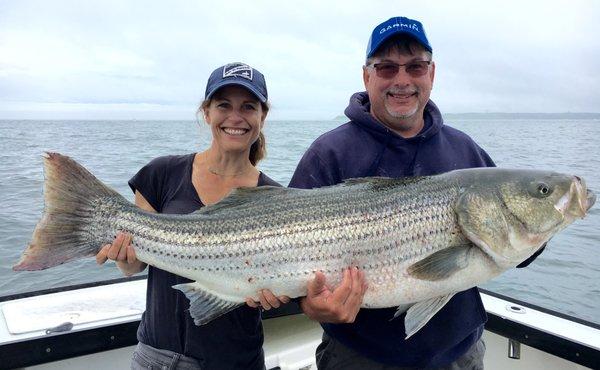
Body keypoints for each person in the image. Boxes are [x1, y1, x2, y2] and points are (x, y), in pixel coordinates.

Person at [289, 17, 543, 369]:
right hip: (357, 356)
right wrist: (311, 306)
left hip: (457, 353)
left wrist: (543, 219)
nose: (402, 80)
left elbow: (516, 250)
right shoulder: (328, 153)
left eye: (416, 67)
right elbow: (284, 258)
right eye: (387, 68)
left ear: (432, 74)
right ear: (367, 76)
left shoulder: (466, 153)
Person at [96, 62, 289, 369]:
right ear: (206, 112)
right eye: (224, 105)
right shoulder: (162, 174)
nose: (235, 117)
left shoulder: (274, 198)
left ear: (262, 117)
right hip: (157, 358)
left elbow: (282, 276)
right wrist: (122, 254)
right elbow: (133, 266)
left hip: (238, 361)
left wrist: (277, 291)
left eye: (248, 107)